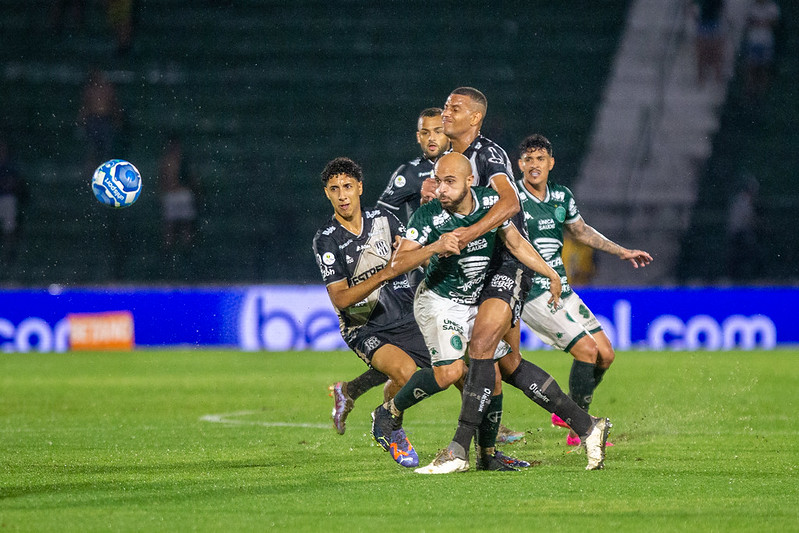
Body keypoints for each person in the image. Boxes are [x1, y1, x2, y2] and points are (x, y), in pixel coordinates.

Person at [372, 152, 611, 473]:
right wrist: (434, 248)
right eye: (437, 181)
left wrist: (550, 273)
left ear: (470, 181)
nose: (440, 189)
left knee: (503, 369)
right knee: (451, 373)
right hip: (437, 301)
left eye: (449, 182)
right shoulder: (428, 217)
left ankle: (579, 429)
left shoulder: (490, 204)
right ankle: (389, 413)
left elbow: (515, 243)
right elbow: (396, 265)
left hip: (472, 303)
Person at [511, 134, 652, 446]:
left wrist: (622, 252)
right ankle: (582, 429)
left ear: (551, 163)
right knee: (587, 351)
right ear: (520, 164)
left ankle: (568, 414)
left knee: (606, 355)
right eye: (529, 159)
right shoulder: (512, 197)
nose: (535, 165)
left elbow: (581, 231)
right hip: (532, 290)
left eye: (541, 159)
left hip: (562, 287)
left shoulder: (561, 196)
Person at [328, 107, 449, 436]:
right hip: (420, 270)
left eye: (438, 130)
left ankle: (355, 395)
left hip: (453, 262)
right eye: (425, 132)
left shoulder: (462, 167)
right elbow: (380, 217)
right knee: (444, 356)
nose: (431, 137)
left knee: (434, 357)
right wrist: (403, 244)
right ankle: (484, 429)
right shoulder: (410, 174)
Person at [312, 157, 431, 468]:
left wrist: (418, 255)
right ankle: (392, 428)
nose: (342, 195)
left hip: (405, 314)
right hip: (364, 325)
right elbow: (340, 298)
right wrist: (383, 274)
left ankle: (348, 390)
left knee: (450, 368)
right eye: (334, 189)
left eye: (348, 187)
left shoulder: (384, 220)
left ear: (360, 188)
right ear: (327, 193)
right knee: (404, 372)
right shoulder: (327, 240)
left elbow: (412, 252)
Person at [77, 68, 124, 176]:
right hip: (93, 120)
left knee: (107, 149)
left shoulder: (108, 88)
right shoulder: (89, 89)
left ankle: (108, 173)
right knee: (93, 149)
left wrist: (118, 119)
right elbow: (85, 106)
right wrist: (81, 122)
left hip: (105, 120)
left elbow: (114, 105)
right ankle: (90, 174)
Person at [158, 133, 200, 254]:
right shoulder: (165, 161)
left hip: (183, 194)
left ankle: (187, 253)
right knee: (169, 227)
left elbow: (193, 180)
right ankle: (168, 255)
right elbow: (162, 180)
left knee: (186, 226)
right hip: (171, 195)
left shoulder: (184, 161)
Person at [743, 0, 780, 100]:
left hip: (766, 41)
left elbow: (775, 22)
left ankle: (762, 95)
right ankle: (750, 94)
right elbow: (748, 21)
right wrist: (763, 21)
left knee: (764, 68)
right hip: (754, 40)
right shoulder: (752, 7)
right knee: (751, 67)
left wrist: (760, 22)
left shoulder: (772, 6)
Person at [0, 134, 28, 266]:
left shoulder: (10, 166)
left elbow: (16, 184)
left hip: (7, 199)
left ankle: (9, 252)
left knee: (9, 202)